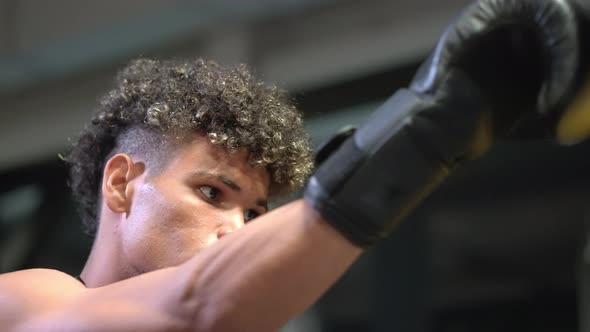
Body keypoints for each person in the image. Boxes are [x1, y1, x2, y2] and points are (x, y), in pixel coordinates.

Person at [0, 0, 587, 331]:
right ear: (124, 184)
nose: (236, 229)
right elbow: (198, 305)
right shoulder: (27, 300)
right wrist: (438, 122)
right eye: (211, 193)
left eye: (254, 212)